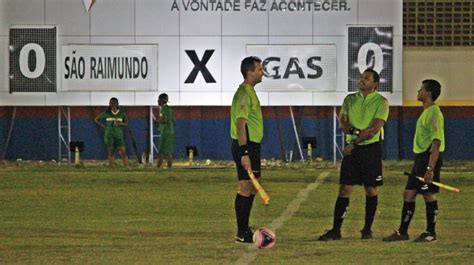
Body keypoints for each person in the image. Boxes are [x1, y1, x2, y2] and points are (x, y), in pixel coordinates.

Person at [318, 69, 389, 241]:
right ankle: (336, 230)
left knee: (371, 189)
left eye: (367, 78)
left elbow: (374, 129)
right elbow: (343, 124)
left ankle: (367, 229)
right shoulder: (350, 99)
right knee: (344, 188)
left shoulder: (381, 102)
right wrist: (356, 132)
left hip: (370, 149)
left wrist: (353, 143)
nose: (362, 80)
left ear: (375, 84)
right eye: (362, 77)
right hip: (353, 149)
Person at [383, 79, 444, 243]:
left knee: (428, 194)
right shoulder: (426, 112)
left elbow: (436, 142)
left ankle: (431, 233)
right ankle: (402, 232)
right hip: (420, 159)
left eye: (421, 89)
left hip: (428, 158)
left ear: (428, 93)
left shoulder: (434, 113)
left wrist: (430, 168)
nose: (418, 91)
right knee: (409, 193)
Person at [231, 56, 264, 243]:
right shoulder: (243, 94)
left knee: (251, 187)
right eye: (259, 69)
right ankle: (241, 232)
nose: (262, 72)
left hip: (252, 145)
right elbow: (240, 123)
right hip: (246, 146)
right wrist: (244, 153)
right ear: (249, 72)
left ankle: (244, 227)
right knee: (245, 187)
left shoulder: (250, 92)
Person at [94, 97, 129, 166]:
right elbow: (96, 119)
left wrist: (120, 123)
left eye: (114, 103)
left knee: (123, 151)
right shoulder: (106, 113)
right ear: (109, 104)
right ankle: (111, 167)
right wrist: (104, 126)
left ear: (117, 104)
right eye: (111, 103)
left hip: (118, 135)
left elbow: (126, 124)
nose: (112, 105)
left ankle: (126, 166)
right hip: (109, 135)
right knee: (111, 151)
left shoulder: (122, 113)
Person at [156, 93, 175, 168]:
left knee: (161, 152)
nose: (157, 101)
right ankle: (169, 169)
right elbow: (174, 120)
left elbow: (164, 120)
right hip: (169, 132)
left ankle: (158, 168)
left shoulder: (164, 109)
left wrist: (157, 121)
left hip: (165, 133)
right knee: (168, 151)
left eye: (158, 99)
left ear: (161, 100)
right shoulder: (170, 109)